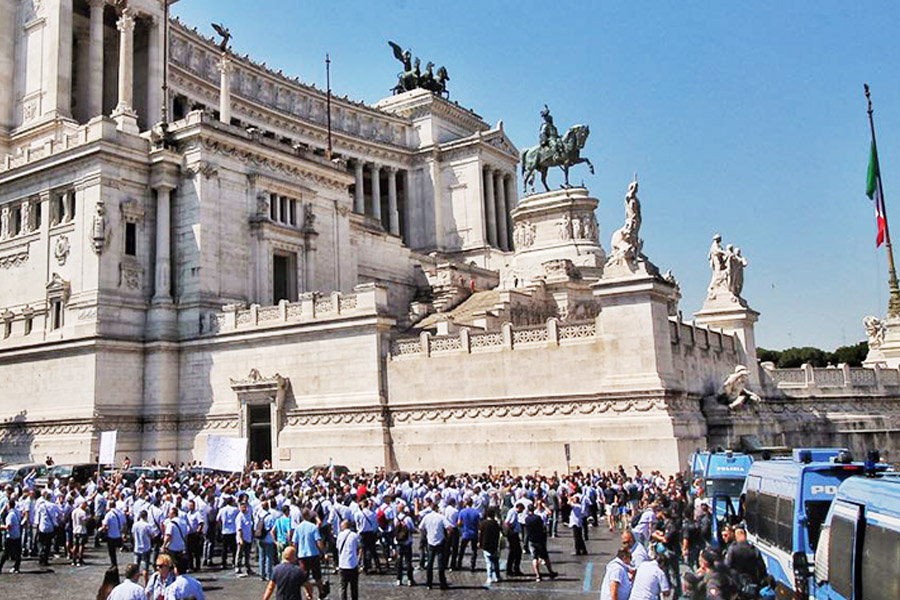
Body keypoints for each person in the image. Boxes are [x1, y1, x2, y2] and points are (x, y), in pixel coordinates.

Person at [292, 508, 324, 597]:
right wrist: (323, 552)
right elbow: (318, 541)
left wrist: (294, 555)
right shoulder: (313, 527)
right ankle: (321, 593)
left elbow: (294, 543)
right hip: (313, 554)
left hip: (302, 555)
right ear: (308, 516)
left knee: (304, 577)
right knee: (317, 576)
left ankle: (308, 593)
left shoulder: (298, 528)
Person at [523, 503, 558, 582]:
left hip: (531, 540)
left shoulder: (527, 519)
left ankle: (537, 575)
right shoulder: (537, 518)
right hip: (539, 539)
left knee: (534, 558)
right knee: (545, 556)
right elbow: (542, 527)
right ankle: (550, 572)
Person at [419, 502, 449, 590]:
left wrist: (427, 533)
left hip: (430, 541)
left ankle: (429, 583)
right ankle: (442, 583)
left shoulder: (427, 517)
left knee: (430, 563)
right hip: (440, 542)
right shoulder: (441, 517)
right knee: (441, 564)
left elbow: (421, 527)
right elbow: (449, 527)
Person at [336, 519, 361, 600]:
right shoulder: (355, 535)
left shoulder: (340, 535)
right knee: (354, 587)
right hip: (353, 564)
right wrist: (359, 559)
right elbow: (359, 547)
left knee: (343, 587)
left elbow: (337, 547)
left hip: (342, 564)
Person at [478, 507, 502, 588]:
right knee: (495, 561)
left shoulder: (483, 523)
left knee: (488, 562)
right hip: (494, 545)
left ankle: (490, 577)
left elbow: (480, 535)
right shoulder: (496, 523)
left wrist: (479, 543)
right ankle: (497, 576)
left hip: (485, 545)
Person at [455, 497, 480, 572]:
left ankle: (459, 564)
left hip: (465, 533)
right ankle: (473, 565)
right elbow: (479, 524)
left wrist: (462, 526)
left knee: (462, 549)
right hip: (474, 533)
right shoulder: (476, 512)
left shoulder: (462, 512)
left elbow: (459, 523)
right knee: (474, 550)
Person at [394, 505, 415, 586]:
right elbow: (412, 528)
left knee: (399, 561)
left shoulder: (395, 518)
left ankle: (399, 579)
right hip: (407, 542)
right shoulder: (408, 518)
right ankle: (410, 579)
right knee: (408, 561)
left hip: (398, 542)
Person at [132, 510, 155, 585]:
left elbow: (133, 534)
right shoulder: (147, 525)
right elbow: (152, 535)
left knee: (136, 567)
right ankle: (146, 583)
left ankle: (134, 582)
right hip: (146, 548)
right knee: (145, 568)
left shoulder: (135, 525)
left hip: (137, 548)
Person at [0, 498, 22, 573]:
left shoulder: (10, 515)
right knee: (18, 553)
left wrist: (1, 527)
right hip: (17, 534)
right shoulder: (17, 512)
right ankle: (16, 568)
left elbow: (8, 527)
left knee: (6, 553)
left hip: (11, 536)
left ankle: (0, 566)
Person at [101, 500, 125, 568]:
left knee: (112, 553)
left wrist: (102, 530)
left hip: (111, 535)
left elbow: (105, 525)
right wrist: (124, 533)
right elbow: (125, 524)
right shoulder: (120, 513)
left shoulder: (109, 514)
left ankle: (114, 565)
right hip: (118, 534)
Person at [217, 497, 238, 570]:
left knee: (224, 548)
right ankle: (234, 561)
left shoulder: (222, 510)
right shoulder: (235, 510)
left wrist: (220, 527)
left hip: (224, 531)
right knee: (234, 548)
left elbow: (218, 519)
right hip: (233, 530)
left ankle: (223, 562)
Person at [503, 502, 524, 576]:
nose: (521, 512)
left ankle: (514, 568)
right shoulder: (513, 512)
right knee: (515, 552)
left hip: (514, 534)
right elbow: (508, 522)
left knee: (515, 552)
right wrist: (510, 531)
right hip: (513, 534)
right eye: (521, 510)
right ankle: (512, 569)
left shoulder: (514, 512)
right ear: (519, 508)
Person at [235, 502, 254, 577]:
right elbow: (239, 529)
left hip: (248, 537)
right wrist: (241, 539)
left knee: (247, 554)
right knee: (240, 554)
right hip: (242, 539)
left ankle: (248, 568)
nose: (244, 509)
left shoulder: (248, 515)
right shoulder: (239, 517)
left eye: (245, 507)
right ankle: (238, 567)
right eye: (242, 507)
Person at [72, 497, 88, 566]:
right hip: (82, 530)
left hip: (75, 530)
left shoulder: (74, 511)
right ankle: (80, 559)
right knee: (81, 545)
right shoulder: (82, 512)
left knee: (75, 545)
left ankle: (74, 559)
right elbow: (84, 522)